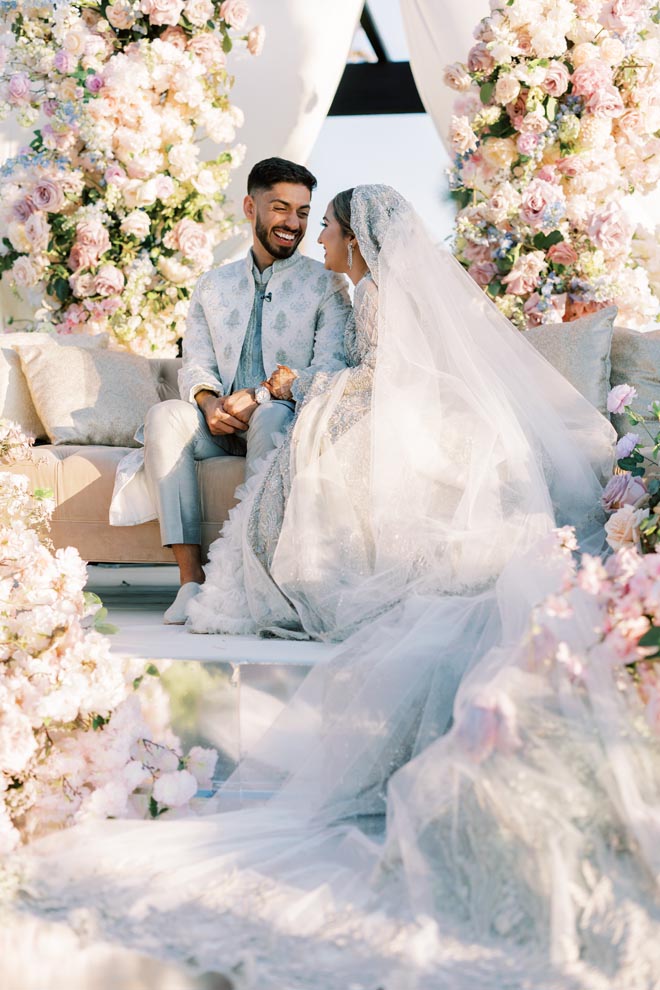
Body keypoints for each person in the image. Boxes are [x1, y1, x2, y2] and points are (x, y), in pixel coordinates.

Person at [23, 187, 650, 990]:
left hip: (396, 406)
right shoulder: (262, 286)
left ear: (353, 237)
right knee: (309, 433)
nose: (316, 232)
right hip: (260, 405)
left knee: (321, 439)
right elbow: (246, 364)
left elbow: (386, 375)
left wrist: (298, 391)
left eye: (326, 223)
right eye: (305, 218)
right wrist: (260, 394)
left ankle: (294, 570)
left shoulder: (368, 293)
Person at [137, 157, 351, 624]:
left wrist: (260, 397)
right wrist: (207, 402)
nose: (292, 223)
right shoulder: (212, 285)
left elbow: (329, 365)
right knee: (164, 417)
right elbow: (195, 360)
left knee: (272, 417)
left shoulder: (327, 284)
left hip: (280, 417)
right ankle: (190, 582)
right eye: (280, 208)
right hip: (216, 425)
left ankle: (251, 575)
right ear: (250, 206)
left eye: (302, 212)